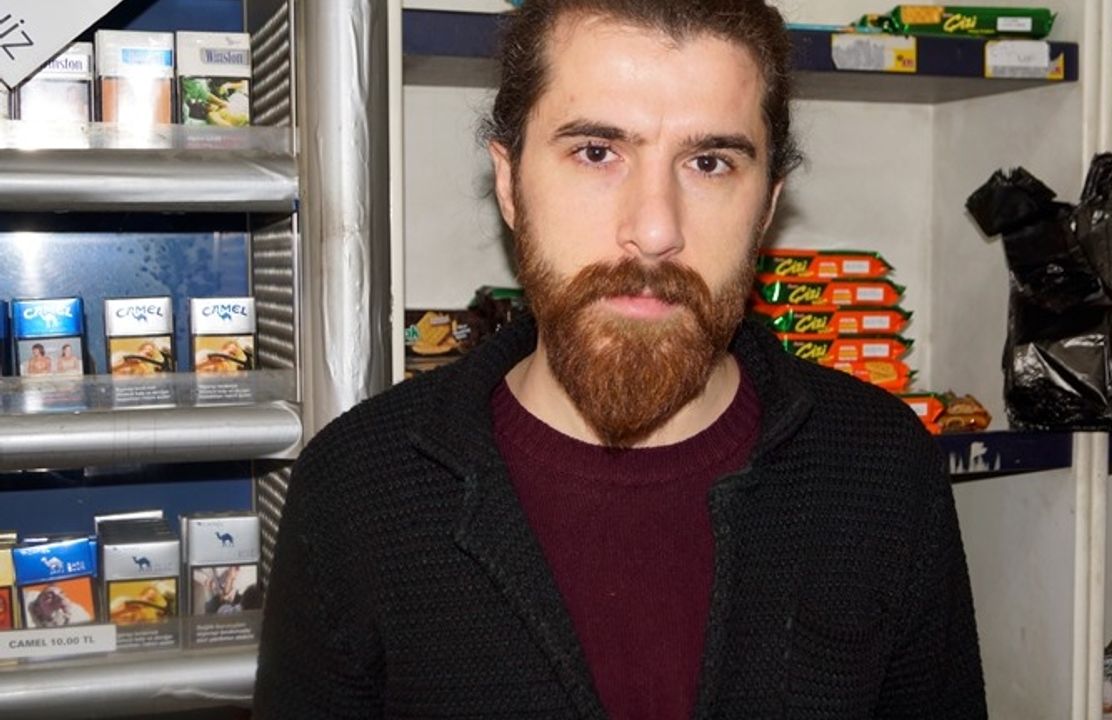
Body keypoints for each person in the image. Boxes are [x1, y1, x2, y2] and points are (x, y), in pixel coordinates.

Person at [255, 0, 986, 717]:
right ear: (509, 184)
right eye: (597, 153)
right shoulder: (354, 489)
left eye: (709, 162)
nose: (655, 229)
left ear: (767, 205)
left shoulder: (884, 470)